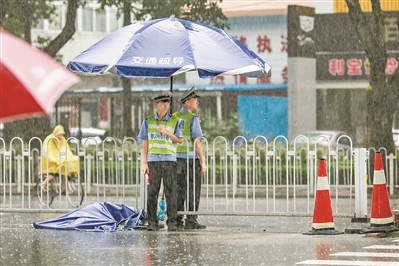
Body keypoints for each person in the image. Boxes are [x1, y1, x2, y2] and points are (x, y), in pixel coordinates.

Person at [138, 91, 183, 231]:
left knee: (171, 191)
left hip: (169, 160)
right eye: (163, 103)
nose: (166, 105)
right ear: (156, 104)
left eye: (168, 103)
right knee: (152, 191)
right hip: (153, 161)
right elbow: (145, 142)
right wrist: (144, 162)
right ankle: (152, 221)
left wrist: (167, 132)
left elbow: (180, 140)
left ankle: (172, 222)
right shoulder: (148, 121)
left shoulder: (174, 120)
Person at [174, 87, 207, 230]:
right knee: (193, 189)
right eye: (195, 100)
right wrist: (203, 161)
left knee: (178, 189)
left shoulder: (173, 117)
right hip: (190, 159)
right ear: (187, 102)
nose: (197, 103)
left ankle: (177, 218)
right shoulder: (192, 119)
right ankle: (191, 220)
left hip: (175, 159)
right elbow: (197, 141)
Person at [41, 125, 79, 191]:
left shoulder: (62, 140)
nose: (60, 136)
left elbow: (66, 150)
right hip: (50, 160)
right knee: (54, 173)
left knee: (68, 172)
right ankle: (44, 182)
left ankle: (63, 188)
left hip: (59, 159)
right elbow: (48, 150)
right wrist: (54, 159)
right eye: (59, 134)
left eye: (62, 134)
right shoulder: (49, 139)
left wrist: (70, 157)